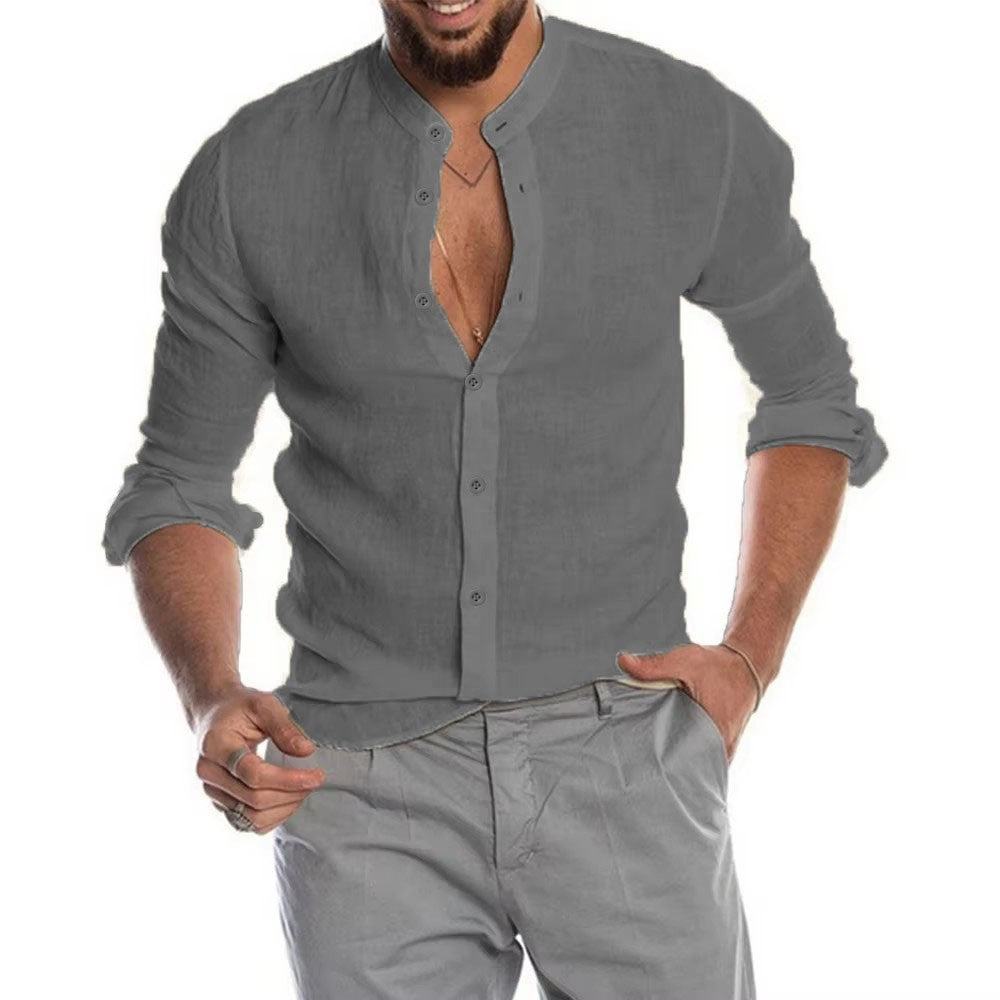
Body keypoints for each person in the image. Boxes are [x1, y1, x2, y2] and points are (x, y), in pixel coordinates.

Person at [101, 1, 888, 996]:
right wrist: (209, 692)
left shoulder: (683, 123)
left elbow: (809, 396)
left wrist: (750, 657)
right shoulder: (251, 171)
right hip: (359, 784)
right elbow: (179, 478)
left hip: (627, 749)